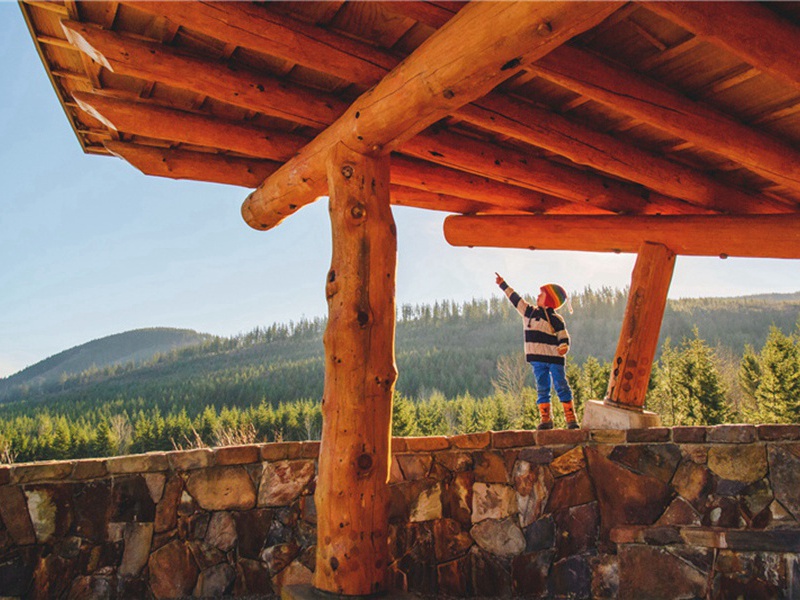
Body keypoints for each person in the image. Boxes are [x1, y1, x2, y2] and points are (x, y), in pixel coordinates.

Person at [495, 273, 578, 430]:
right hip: (537, 360)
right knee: (542, 387)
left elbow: (563, 336)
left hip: (554, 358)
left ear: (548, 300)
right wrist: (503, 285)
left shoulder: (556, 319)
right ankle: (546, 419)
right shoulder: (529, 312)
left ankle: (570, 417)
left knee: (561, 385)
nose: (538, 296)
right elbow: (516, 300)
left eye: (542, 294)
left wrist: (563, 346)